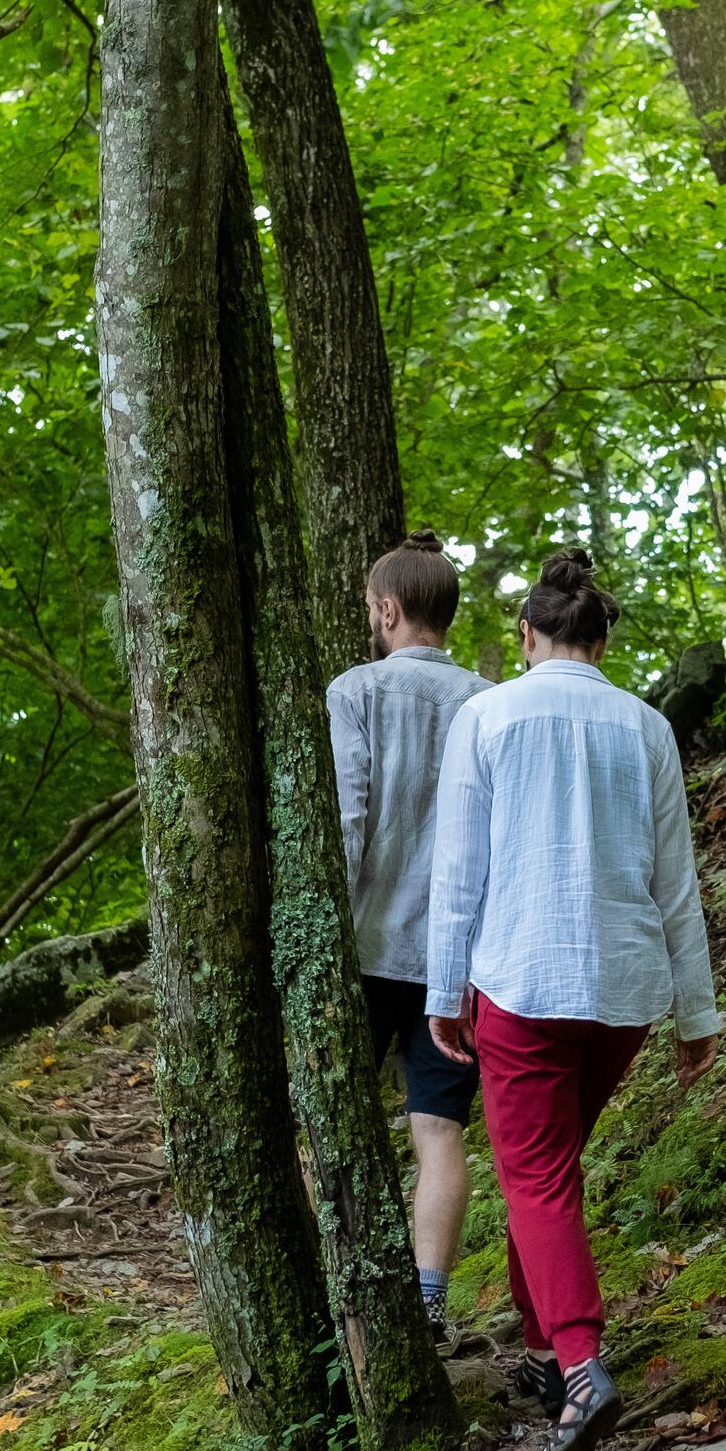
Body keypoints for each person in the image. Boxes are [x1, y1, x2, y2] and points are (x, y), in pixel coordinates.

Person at [420, 550, 721, 1451]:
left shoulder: (487, 714)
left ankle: (583, 1364)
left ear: (526, 635)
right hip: (626, 987)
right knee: (547, 1167)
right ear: (600, 638)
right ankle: (546, 1348)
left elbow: (458, 870)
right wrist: (696, 1010)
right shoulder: (645, 726)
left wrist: (442, 989)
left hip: (522, 978)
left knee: (536, 1176)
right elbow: (677, 876)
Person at [329, 532, 489, 1322]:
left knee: (332, 1117)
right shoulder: (486, 700)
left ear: (387, 609)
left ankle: (340, 1293)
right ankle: (428, 1302)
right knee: (439, 1130)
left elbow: (350, 817)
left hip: (363, 945)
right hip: (455, 958)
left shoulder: (354, 692)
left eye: (370, 608)